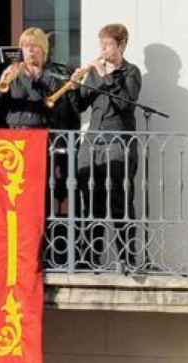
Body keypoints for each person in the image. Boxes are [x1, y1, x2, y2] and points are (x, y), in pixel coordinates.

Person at [71, 24, 142, 271]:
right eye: (101, 44)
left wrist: (106, 76)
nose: (102, 49)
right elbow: (80, 106)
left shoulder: (131, 72)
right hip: (92, 144)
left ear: (121, 45)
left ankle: (127, 259)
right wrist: (74, 85)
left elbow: (127, 104)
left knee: (121, 201)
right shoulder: (94, 74)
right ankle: (90, 259)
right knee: (91, 203)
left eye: (108, 44)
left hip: (118, 143)